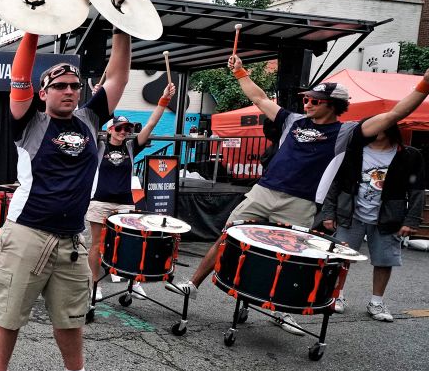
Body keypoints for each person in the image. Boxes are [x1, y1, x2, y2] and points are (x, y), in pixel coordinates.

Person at [172, 58, 429, 335]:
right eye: (307, 99)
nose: (307, 103)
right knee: (228, 237)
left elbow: (393, 116)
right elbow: (259, 98)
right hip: (264, 190)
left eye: (314, 100)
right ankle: (193, 285)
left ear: (332, 105)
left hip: (301, 202)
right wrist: (239, 72)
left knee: (290, 258)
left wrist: (425, 84)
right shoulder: (291, 120)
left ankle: (282, 312)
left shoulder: (347, 132)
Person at [0, 30, 132, 371]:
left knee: (71, 315)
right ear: (44, 92)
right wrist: (32, 28)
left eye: (74, 86)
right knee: (9, 313)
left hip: (71, 238)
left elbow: (118, 78)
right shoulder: (29, 123)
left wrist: (122, 30)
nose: (68, 91)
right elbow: (19, 78)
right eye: (59, 86)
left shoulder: (89, 119)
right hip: (27, 233)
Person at [320, 123, 424, 321]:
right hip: (351, 213)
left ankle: (376, 302)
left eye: (377, 125)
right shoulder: (353, 151)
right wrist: (328, 213)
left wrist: (411, 220)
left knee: (385, 260)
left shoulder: (409, 154)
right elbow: (336, 183)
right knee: (341, 257)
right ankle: (337, 296)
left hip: (389, 216)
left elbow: (416, 190)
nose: (371, 129)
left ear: (389, 128)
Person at [85, 83, 176, 300]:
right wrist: (98, 95)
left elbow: (152, 123)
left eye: (127, 129)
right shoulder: (98, 146)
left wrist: (163, 100)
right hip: (100, 201)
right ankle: (94, 284)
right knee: (97, 245)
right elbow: (89, 118)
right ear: (110, 129)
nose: (124, 132)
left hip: (125, 203)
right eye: (119, 128)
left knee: (129, 244)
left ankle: (132, 283)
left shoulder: (131, 147)